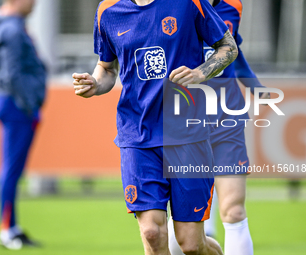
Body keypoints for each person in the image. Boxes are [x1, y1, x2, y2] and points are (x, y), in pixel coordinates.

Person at [73, 0, 238, 254]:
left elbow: (228, 47)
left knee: (191, 244)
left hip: (188, 135)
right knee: (152, 233)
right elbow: (107, 67)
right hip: (137, 135)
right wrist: (95, 84)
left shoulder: (188, 3)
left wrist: (200, 73)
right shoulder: (108, 10)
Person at [168, 0, 269, 255]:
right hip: (185, 121)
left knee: (234, 210)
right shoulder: (171, 6)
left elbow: (233, 48)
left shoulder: (233, 5)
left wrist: (254, 85)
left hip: (227, 117)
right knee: (184, 226)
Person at [0, 0, 46, 250]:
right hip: (17, 106)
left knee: (12, 169)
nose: (35, 3)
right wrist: (31, 103)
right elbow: (12, 75)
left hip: (12, 103)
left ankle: (12, 226)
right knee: (11, 170)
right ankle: (6, 230)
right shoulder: (11, 29)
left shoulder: (5, 25)